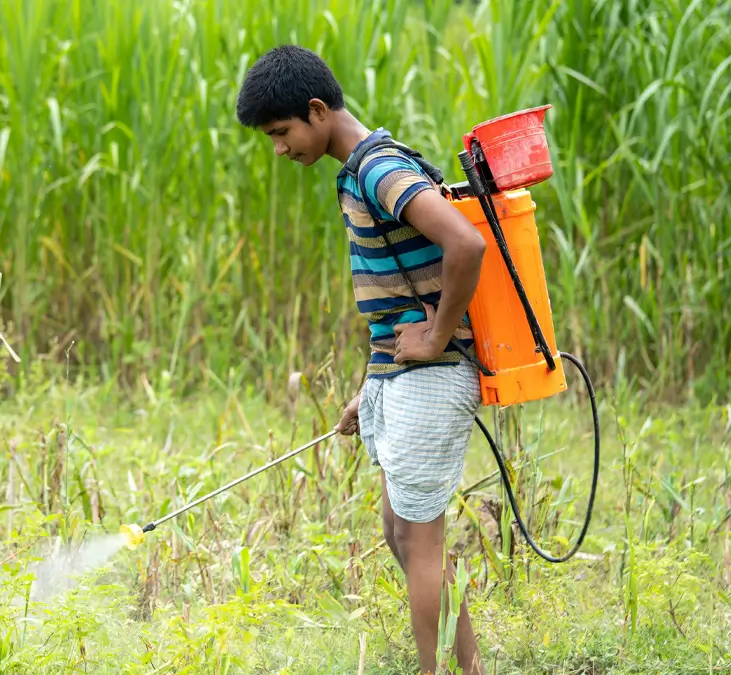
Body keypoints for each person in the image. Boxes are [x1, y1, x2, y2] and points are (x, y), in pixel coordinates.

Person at [236, 45, 487, 675]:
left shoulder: (379, 169)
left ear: (317, 111)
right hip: (403, 376)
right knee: (398, 533)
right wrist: (370, 388)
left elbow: (465, 244)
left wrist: (437, 338)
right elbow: (398, 296)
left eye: (281, 131)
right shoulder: (357, 172)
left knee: (421, 543)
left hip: (434, 375)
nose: (279, 148)